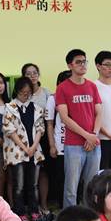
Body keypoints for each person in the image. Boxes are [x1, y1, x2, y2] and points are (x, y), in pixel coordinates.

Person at [57, 49, 103, 208]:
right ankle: (70, 217)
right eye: (78, 62)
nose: (83, 65)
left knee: (92, 185)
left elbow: (99, 113)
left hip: (94, 143)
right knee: (71, 186)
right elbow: (65, 117)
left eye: (84, 61)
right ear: (70, 65)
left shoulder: (92, 86)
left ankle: (89, 215)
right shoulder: (63, 88)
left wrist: (93, 135)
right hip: (74, 144)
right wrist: (87, 136)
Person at [3, 77, 45, 220]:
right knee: (19, 185)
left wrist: (33, 147)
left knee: (33, 184)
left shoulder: (37, 108)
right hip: (17, 151)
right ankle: (20, 212)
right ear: (17, 91)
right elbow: (9, 130)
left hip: (34, 151)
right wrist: (25, 148)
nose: (25, 95)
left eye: (28, 93)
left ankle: (34, 210)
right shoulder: (10, 107)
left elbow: (40, 129)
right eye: (22, 93)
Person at [23, 63, 56, 210]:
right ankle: (32, 206)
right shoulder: (22, 94)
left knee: (44, 172)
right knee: (30, 172)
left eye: (35, 72)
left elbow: (52, 117)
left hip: (44, 137)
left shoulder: (47, 93)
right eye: (28, 73)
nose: (32, 76)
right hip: (27, 138)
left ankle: (44, 204)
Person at [44, 71, 68, 210]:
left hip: (76, 144)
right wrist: (52, 145)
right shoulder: (53, 99)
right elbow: (49, 124)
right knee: (61, 177)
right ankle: (62, 204)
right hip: (60, 144)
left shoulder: (75, 97)